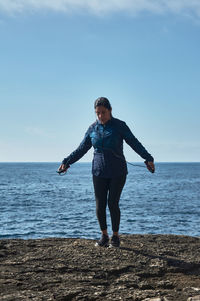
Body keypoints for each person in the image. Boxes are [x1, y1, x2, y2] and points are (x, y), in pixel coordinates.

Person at [58, 97, 155, 248]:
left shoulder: (119, 126)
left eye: (103, 112)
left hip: (118, 171)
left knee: (112, 203)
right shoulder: (92, 129)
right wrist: (67, 161)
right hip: (98, 171)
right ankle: (104, 236)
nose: (100, 116)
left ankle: (115, 237)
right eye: (97, 113)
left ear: (110, 110)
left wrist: (148, 158)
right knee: (100, 204)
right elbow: (82, 148)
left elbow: (134, 143)